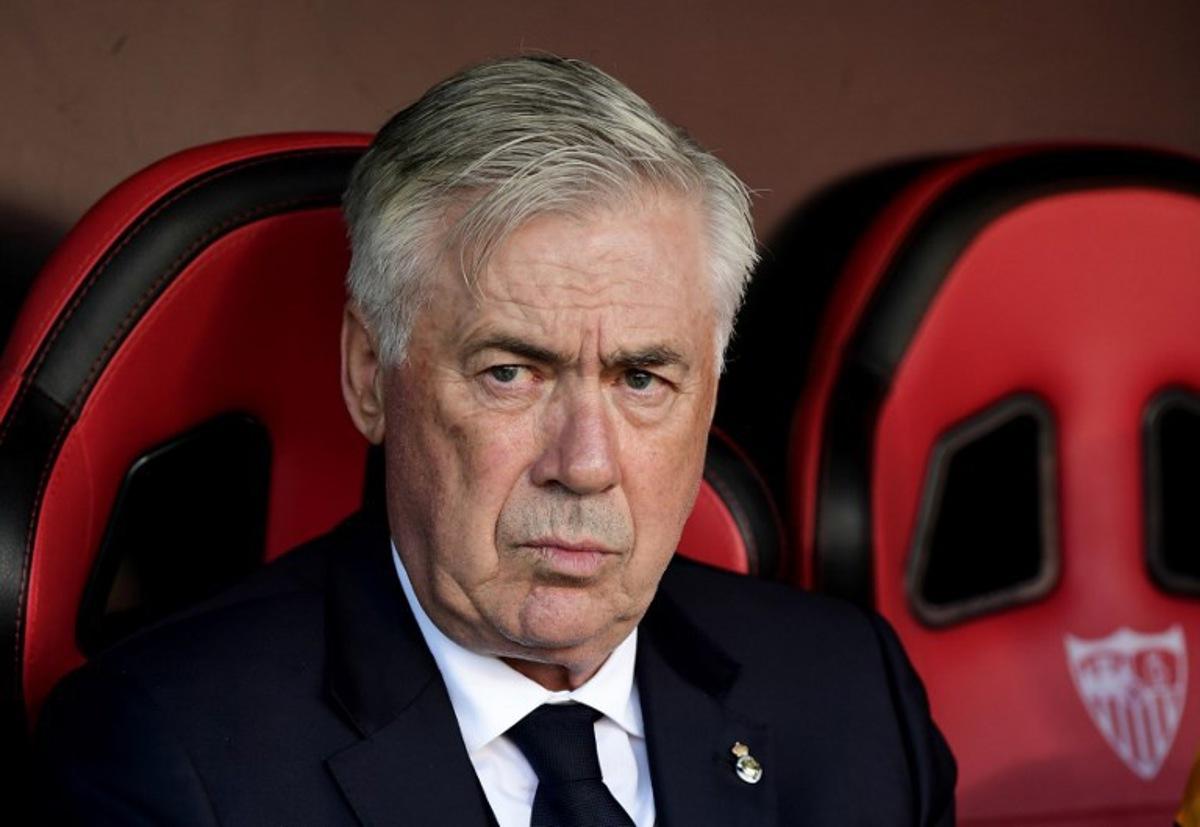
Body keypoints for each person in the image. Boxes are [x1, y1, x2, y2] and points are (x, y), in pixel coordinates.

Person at [34, 56, 955, 825]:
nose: (584, 465)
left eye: (642, 378)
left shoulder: (852, 696)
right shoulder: (169, 754)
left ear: (709, 395)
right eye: (511, 372)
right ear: (369, 373)